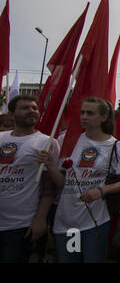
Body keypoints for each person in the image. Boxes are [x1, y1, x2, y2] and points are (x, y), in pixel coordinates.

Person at [38, 97, 120, 263]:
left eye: (90, 113)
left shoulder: (115, 146)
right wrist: (50, 165)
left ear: (104, 117)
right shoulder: (69, 140)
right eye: (82, 112)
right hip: (67, 220)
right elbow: (63, 183)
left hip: (95, 221)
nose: (84, 116)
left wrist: (101, 191)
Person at [0, 95, 60, 263]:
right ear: (12, 114)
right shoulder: (1, 138)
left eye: (34, 108)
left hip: (19, 225)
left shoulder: (46, 143)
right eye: (25, 107)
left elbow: (50, 187)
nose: (32, 111)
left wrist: (41, 218)